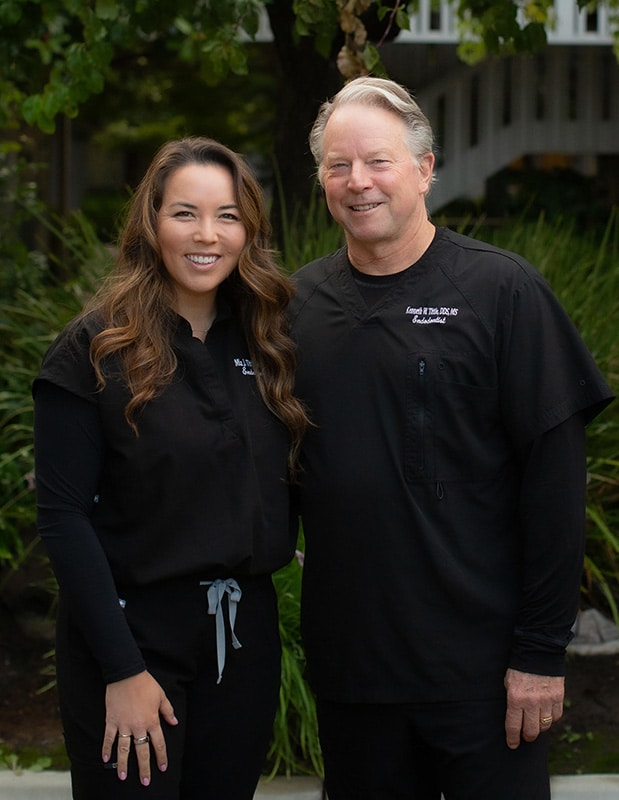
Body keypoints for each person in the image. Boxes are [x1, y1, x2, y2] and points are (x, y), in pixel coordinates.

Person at [289, 77, 615, 800]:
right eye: (338, 165)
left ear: (425, 168)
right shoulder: (295, 307)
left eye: (377, 161)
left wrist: (541, 653)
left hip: (485, 678)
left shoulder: (502, 293)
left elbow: (555, 489)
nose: (357, 181)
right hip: (354, 676)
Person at [33, 136, 309, 800]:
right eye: (185, 213)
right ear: (151, 223)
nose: (206, 235)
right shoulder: (95, 349)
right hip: (131, 639)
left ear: (249, 230)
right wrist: (122, 669)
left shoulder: (271, 344)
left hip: (241, 641)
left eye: (227, 216)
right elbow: (63, 519)